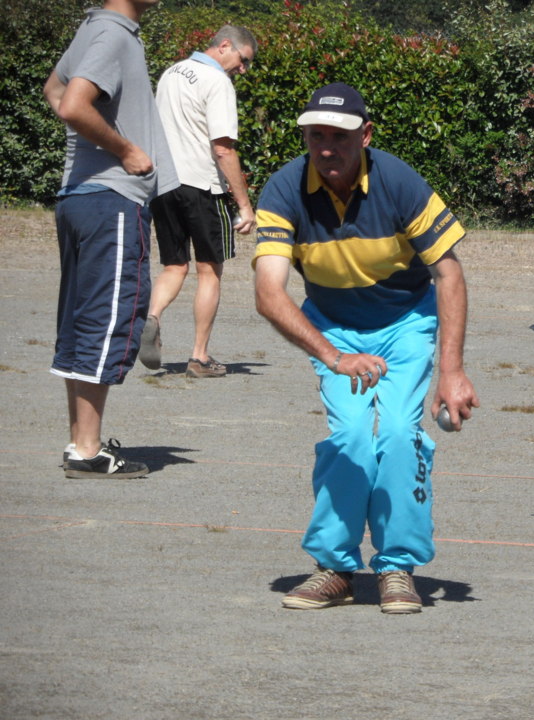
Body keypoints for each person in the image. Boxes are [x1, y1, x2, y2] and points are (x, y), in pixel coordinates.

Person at [253, 83, 480, 614]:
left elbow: (448, 274)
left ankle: (397, 566)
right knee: (352, 436)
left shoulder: (400, 182)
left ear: (366, 135)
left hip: (404, 321)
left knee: (399, 432)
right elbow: (268, 293)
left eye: (340, 136)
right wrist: (334, 357)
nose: (327, 147)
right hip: (333, 329)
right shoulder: (283, 189)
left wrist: (451, 371)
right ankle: (334, 568)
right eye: (316, 136)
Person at [43, 0, 178, 478]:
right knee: (105, 322)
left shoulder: (96, 28)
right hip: (112, 200)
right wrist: (123, 149)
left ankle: (82, 444)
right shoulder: (114, 35)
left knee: (83, 322)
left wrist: (93, 145)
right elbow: (73, 105)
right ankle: (87, 450)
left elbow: (54, 89)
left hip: (82, 196)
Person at [140, 26, 258, 378]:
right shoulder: (217, 81)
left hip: (164, 183)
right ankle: (199, 357)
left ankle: (152, 317)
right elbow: (223, 149)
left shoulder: (172, 72)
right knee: (210, 271)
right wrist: (244, 205)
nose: (243, 69)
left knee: (174, 266)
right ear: (225, 46)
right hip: (201, 185)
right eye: (243, 60)